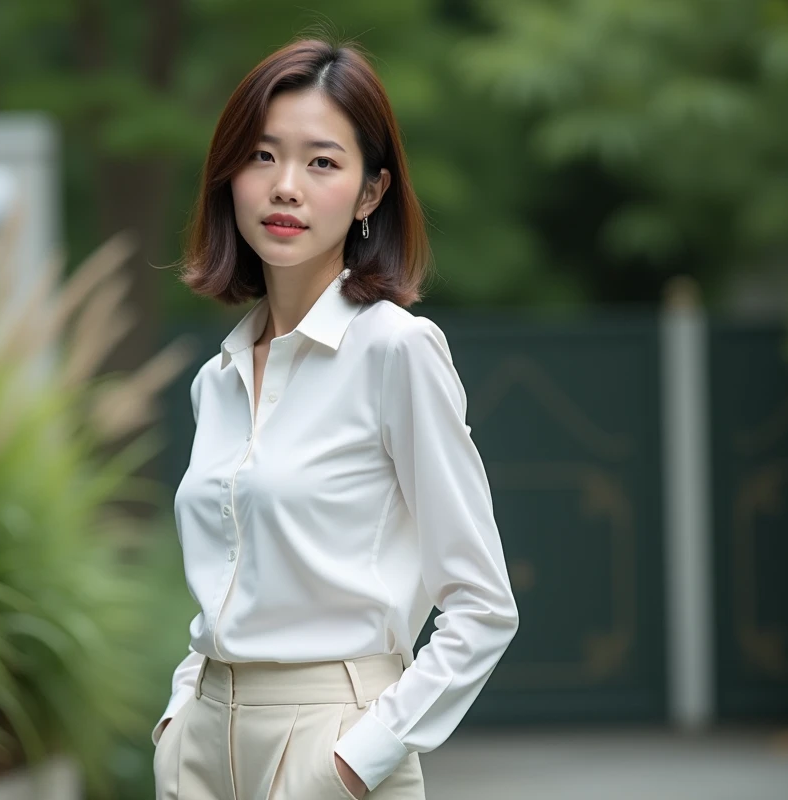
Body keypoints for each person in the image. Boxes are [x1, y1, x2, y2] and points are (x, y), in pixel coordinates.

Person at [153, 37, 519, 800]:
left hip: (329, 745)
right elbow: (223, 586)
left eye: (321, 162)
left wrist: (354, 762)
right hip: (203, 751)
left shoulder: (395, 350)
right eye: (261, 156)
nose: (285, 186)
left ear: (369, 193)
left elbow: (483, 607)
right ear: (229, 178)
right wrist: (180, 716)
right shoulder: (217, 379)